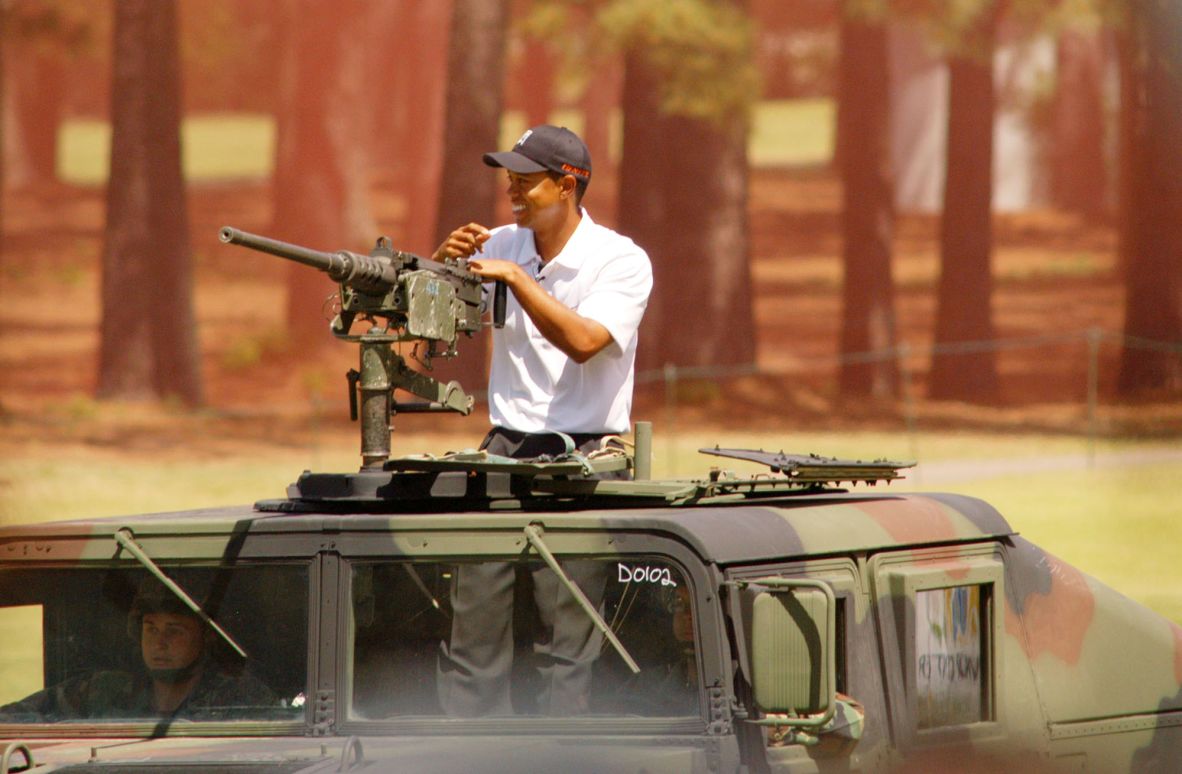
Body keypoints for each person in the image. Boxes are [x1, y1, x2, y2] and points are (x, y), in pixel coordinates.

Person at [432, 125, 653, 717]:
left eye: (526, 182)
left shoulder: (621, 260)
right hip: (505, 447)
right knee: (473, 631)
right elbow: (422, 350)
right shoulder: (501, 243)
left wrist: (518, 280)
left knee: (565, 643)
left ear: (567, 185)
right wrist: (438, 273)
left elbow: (585, 342)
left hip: (587, 458)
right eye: (509, 179)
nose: (513, 191)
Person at [0, 579, 276, 721]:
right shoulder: (104, 690)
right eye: (151, 628)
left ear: (205, 639)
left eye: (175, 631)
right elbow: (18, 718)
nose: (160, 642)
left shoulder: (241, 699)